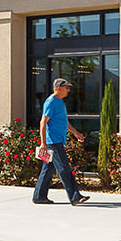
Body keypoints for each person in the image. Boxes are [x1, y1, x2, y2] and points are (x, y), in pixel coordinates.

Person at [33, 78, 89, 206]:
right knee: (64, 168)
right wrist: (43, 143)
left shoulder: (59, 102)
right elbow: (43, 122)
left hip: (56, 140)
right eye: (66, 88)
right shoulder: (51, 102)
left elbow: (64, 121)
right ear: (58, 88)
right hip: (53, 141)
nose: (68, 90)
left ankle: (39, 196)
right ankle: (75, 196)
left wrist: (75, 132)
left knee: (47, 170)